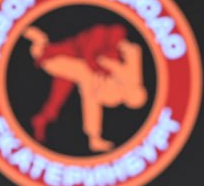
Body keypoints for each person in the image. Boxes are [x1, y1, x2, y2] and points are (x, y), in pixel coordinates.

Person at [23, 24, 148, 152]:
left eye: (128, 96)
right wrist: (118, 50)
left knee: (56, 70)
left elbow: (93, 98)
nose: (128, 91)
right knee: (58, 65)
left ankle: (94, 139)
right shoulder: (133, 76)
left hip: (86, 72)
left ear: (126, 100)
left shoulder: (114, 98)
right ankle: (38, 41)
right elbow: (133, 52)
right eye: (133, 91)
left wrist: (100, 78)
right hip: (86, 59)